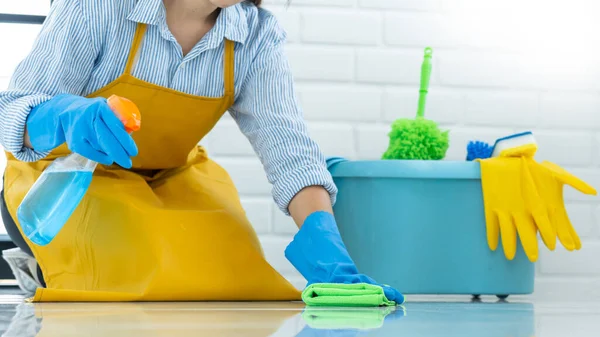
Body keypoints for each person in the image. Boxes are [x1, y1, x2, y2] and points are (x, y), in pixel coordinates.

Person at [0, 0, 403, 303]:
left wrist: (325, 244)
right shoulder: (100, 6)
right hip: (66, 179)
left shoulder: (255, 34)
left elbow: (288, 147)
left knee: (238, 286)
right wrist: (62, 116)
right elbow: (10, 109)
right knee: (138, 278)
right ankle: (40, 268)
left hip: (169, 181)